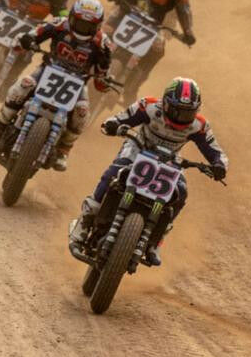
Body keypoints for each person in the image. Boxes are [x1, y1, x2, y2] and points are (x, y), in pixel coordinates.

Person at [69, 77, 226, 267]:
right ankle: (85, 220)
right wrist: (113, 124)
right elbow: (120, 117)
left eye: (187, 113)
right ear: (165, 103)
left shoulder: (199, 125)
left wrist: (219, 165)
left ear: (196, 111)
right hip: (138, 150)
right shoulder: (149, 106)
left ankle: (156, 241)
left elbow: (216, 151)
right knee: (114, 172)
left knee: (181, 192)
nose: (180, 117)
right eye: (176, 110)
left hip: (171, 162)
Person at [0, 0, 114, 168]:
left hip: (78, 82)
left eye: (88, 25)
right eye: (80, 22)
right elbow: (34, 34)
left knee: (82, 112)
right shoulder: (59, 24)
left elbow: (103, 74)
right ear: (72, 17)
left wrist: (104, 79)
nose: (83, 28)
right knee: (23, 85)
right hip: (48, 70)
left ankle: (64, 149)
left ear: (97, 25)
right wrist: (28, 41)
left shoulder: (103, 43)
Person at [104, 0, 197, 97]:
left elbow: (184, 10)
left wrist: (188, 31)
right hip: (124, 13)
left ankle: (133, 86)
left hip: (152, 27)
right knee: (102, 32)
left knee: (158, 50)